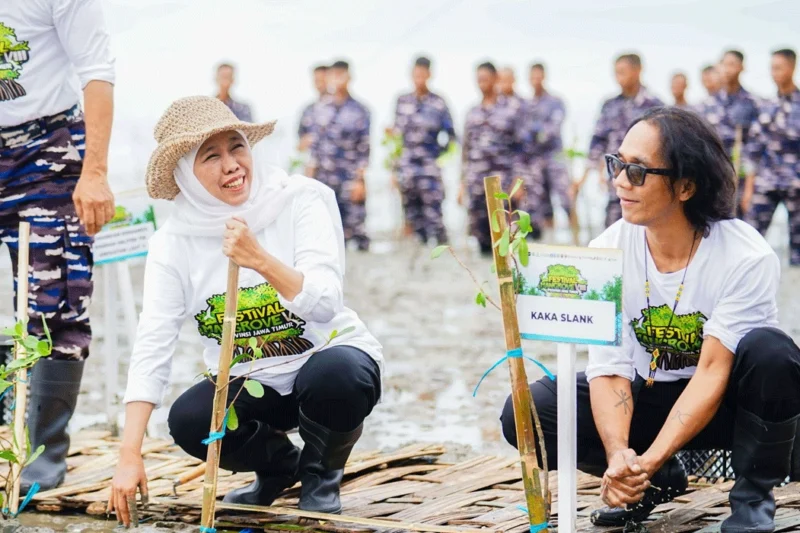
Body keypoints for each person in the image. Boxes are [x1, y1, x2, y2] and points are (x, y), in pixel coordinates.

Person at [500, 107, 800, 531]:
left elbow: (713, 371)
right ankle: (653, 483)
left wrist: (654, 454)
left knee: (772, 351)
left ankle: (753, 498)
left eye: (638, 172)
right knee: (530, 411)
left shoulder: (745, 257)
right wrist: (620, 456)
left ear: (686, 186)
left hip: (731, 407)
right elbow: (610, 368)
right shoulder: (607, 251)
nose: (620, 181)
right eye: (617, 164)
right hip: (652, 393)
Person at [107, 96, 383, 527]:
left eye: (237, 147)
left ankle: (320, 477)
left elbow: (327, 301)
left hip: (325, 366)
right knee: (190, 419)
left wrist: (260, 260)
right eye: (211, 156)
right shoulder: (173, 242)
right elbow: (153, 342)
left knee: (338, 373)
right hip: (253, 384)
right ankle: (280, 468)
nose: (232, 165)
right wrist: (129, 453)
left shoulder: (300, 199)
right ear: (185, 173)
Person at [0, 0, 116, 492]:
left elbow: (97, 71)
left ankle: (44, 450)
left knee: (55, 297)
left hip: (45, 147)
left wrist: (95, 172)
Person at [570, 53, 663, 228]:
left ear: (637, 70)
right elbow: (597, 141)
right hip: (616, 180)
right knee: (613, 227)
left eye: (622, 72)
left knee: (643, 229)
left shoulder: (655, 105)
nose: (618, 77)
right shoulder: (610, 105)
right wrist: (584, 177)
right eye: (616, 73)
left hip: (642, 181)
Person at [388, 56, 456, 245]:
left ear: (429, 74)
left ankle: (441, 254)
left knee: (435, 220)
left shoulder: (439, 103)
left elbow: (452, 138)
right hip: (407, 171)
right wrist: (393, 170)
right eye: (416, 74)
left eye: (422, 74)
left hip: (430, 171)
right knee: (412, 222)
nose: (419, 78)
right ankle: (416, 257)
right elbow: (396, 140)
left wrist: (439, 159)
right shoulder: (402, 101)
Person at [306, 60, 371, 252]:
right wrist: (309, 179)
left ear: (349, 77)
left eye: (342, 75)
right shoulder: (319, 109)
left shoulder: (360, 110)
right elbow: (315, 147)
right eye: (334, 75)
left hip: (350, 179)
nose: (338, 80)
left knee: (357, 232)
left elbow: (364, 148)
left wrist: (360, 181)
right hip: (325, 179)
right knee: (326, 231)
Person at [742, 49, 800, 266]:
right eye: (772, 68)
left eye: (778, 68)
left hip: (796, 185)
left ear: (791, 68)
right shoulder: (766, 105)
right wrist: (749, 190)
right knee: (750, 240)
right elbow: (753, 150)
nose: (774, 73)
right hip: (766, 183)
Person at [460, 61, 523, 256]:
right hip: (476, 183)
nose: (482, 83)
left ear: (495, 79)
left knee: (507, 235)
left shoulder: (512, 109)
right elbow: (465, 151)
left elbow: (522, 149)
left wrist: (519, 182)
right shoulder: (472, 113)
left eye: (485, 79)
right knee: (481, 234)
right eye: (479, 80)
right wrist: (462, 184)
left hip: (503, 182)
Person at [517, 63, 573, 242]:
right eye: (532, 77)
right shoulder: (525, 105)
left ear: (544, 77)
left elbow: (551, 130)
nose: (535, 80)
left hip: (554, 158)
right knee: (542, 204)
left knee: (566, 200)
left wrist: (534, 133)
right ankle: (551, 241)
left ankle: (577, 239)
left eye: (538, 76)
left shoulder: (556, 102)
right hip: (535, 161)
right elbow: (521, 132)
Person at [701, 50, 759, 218]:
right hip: (711, 178)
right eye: (724, 64)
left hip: (739, 179)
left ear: (742, 67)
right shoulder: (708, 104)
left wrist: (749, 188)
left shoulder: (752, 103)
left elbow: (754, 148)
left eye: (732, 65)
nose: (727, 69)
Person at [297, 64, 329, 153]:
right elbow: (300, 146)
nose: (320, 84)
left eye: (323, 80)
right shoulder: (308, 110)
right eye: (317, 81)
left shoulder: (345, 109)